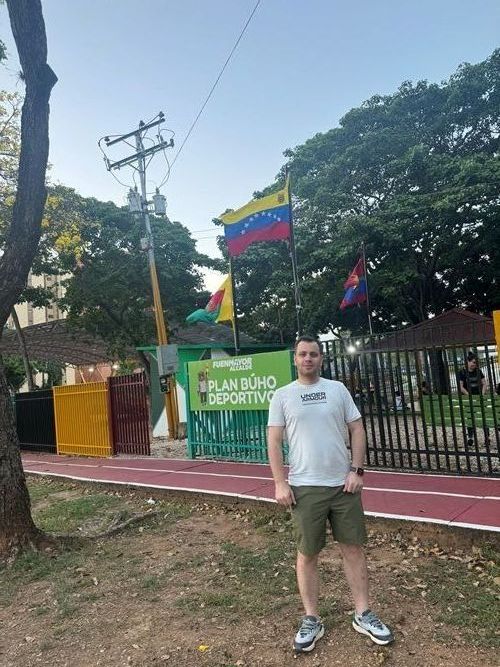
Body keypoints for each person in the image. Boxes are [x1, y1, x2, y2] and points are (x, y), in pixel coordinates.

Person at [267, 335, 394, 653]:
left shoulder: (337, 390)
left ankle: (363, 613)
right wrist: (280, 482)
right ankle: (312, 618)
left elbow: (357, 428)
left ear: (321, 358)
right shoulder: (283, 395)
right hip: (304, 487)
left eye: (313, 353)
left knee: (353, 548)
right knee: (307, 553)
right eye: (302, 354)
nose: (308, 358)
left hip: (343, 485)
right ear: (295, 359)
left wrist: (357, 470)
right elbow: (274, 441)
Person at [458, 352, 488, 445]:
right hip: (468, 399)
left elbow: (484, 384)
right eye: (473, 362)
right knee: (470, 418)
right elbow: (461, 387)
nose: (475, 364)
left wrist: (482, 394)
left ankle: (487, 437)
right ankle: (470, 437)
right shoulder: (462, 372)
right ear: (468, 361)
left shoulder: (478, 371)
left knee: (483, 417)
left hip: (479, 398)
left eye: (476, 363)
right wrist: (469, 395)